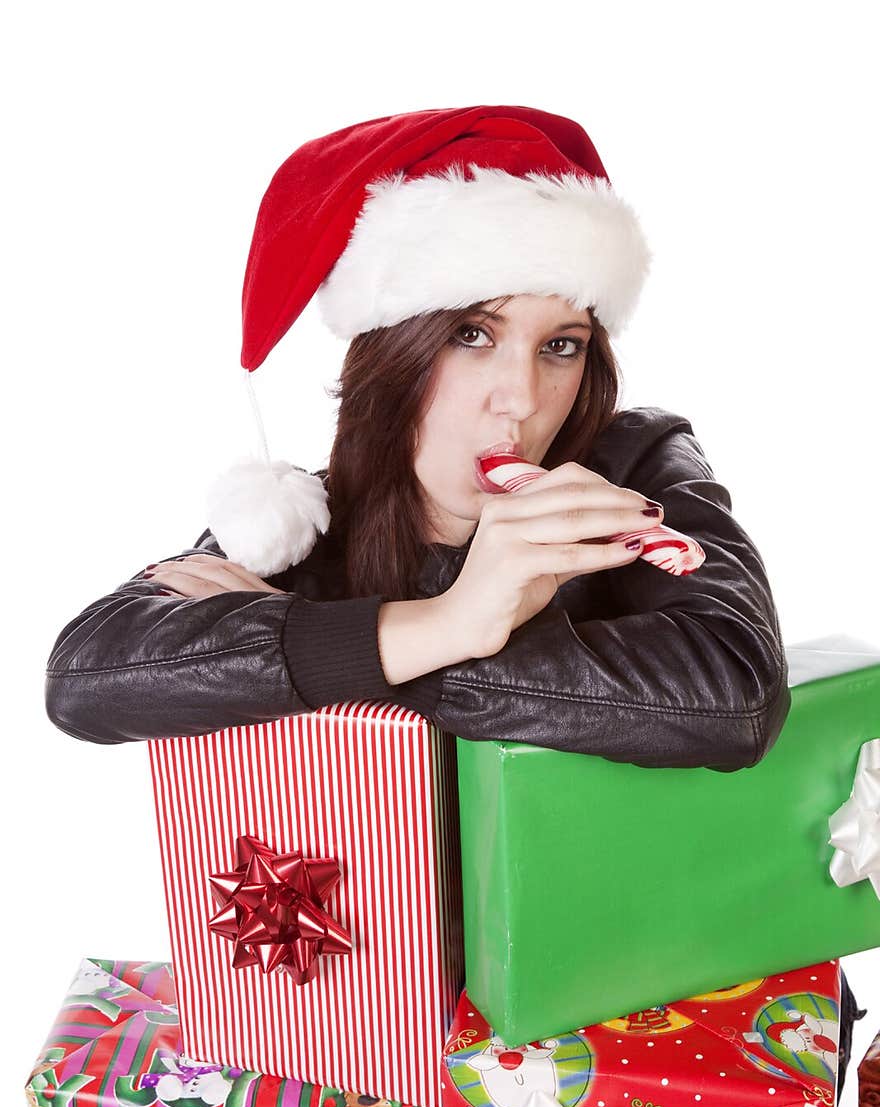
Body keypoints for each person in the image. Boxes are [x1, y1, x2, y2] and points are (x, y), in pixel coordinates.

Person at [44, 104, 790, 772]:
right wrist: (447, 622)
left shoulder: (631, 471)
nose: (523, 398)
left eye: (560, 345)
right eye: (472, 334)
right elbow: (87, 675)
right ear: (391, 352)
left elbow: (734, 694)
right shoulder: (301, 527)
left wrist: (378, 652)